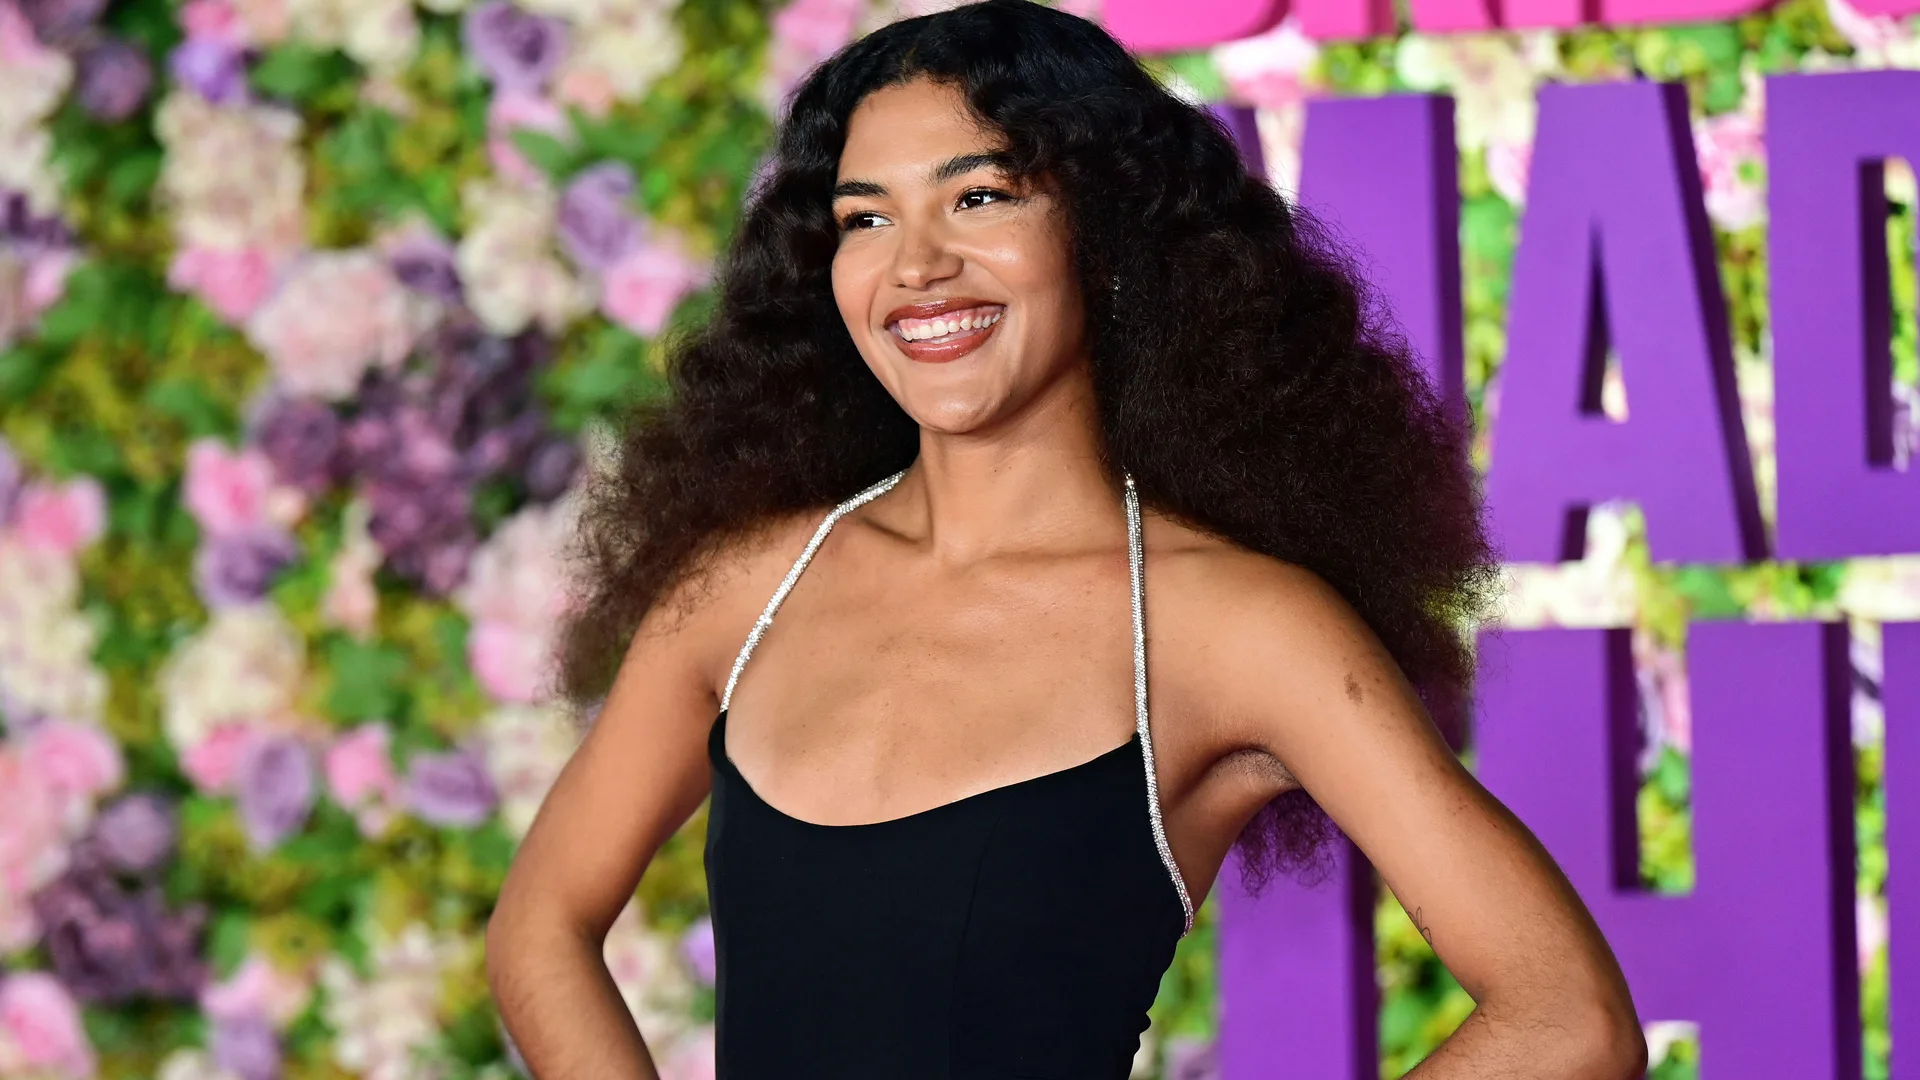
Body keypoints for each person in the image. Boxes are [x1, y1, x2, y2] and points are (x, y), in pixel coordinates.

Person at [485, 0, 1644, 1076]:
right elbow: (541, 925)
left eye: (979, 197)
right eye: (865, 218)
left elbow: (1568, 1018)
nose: (917, 264)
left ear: (1105, 228)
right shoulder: (748, 588)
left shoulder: (1234, 626)